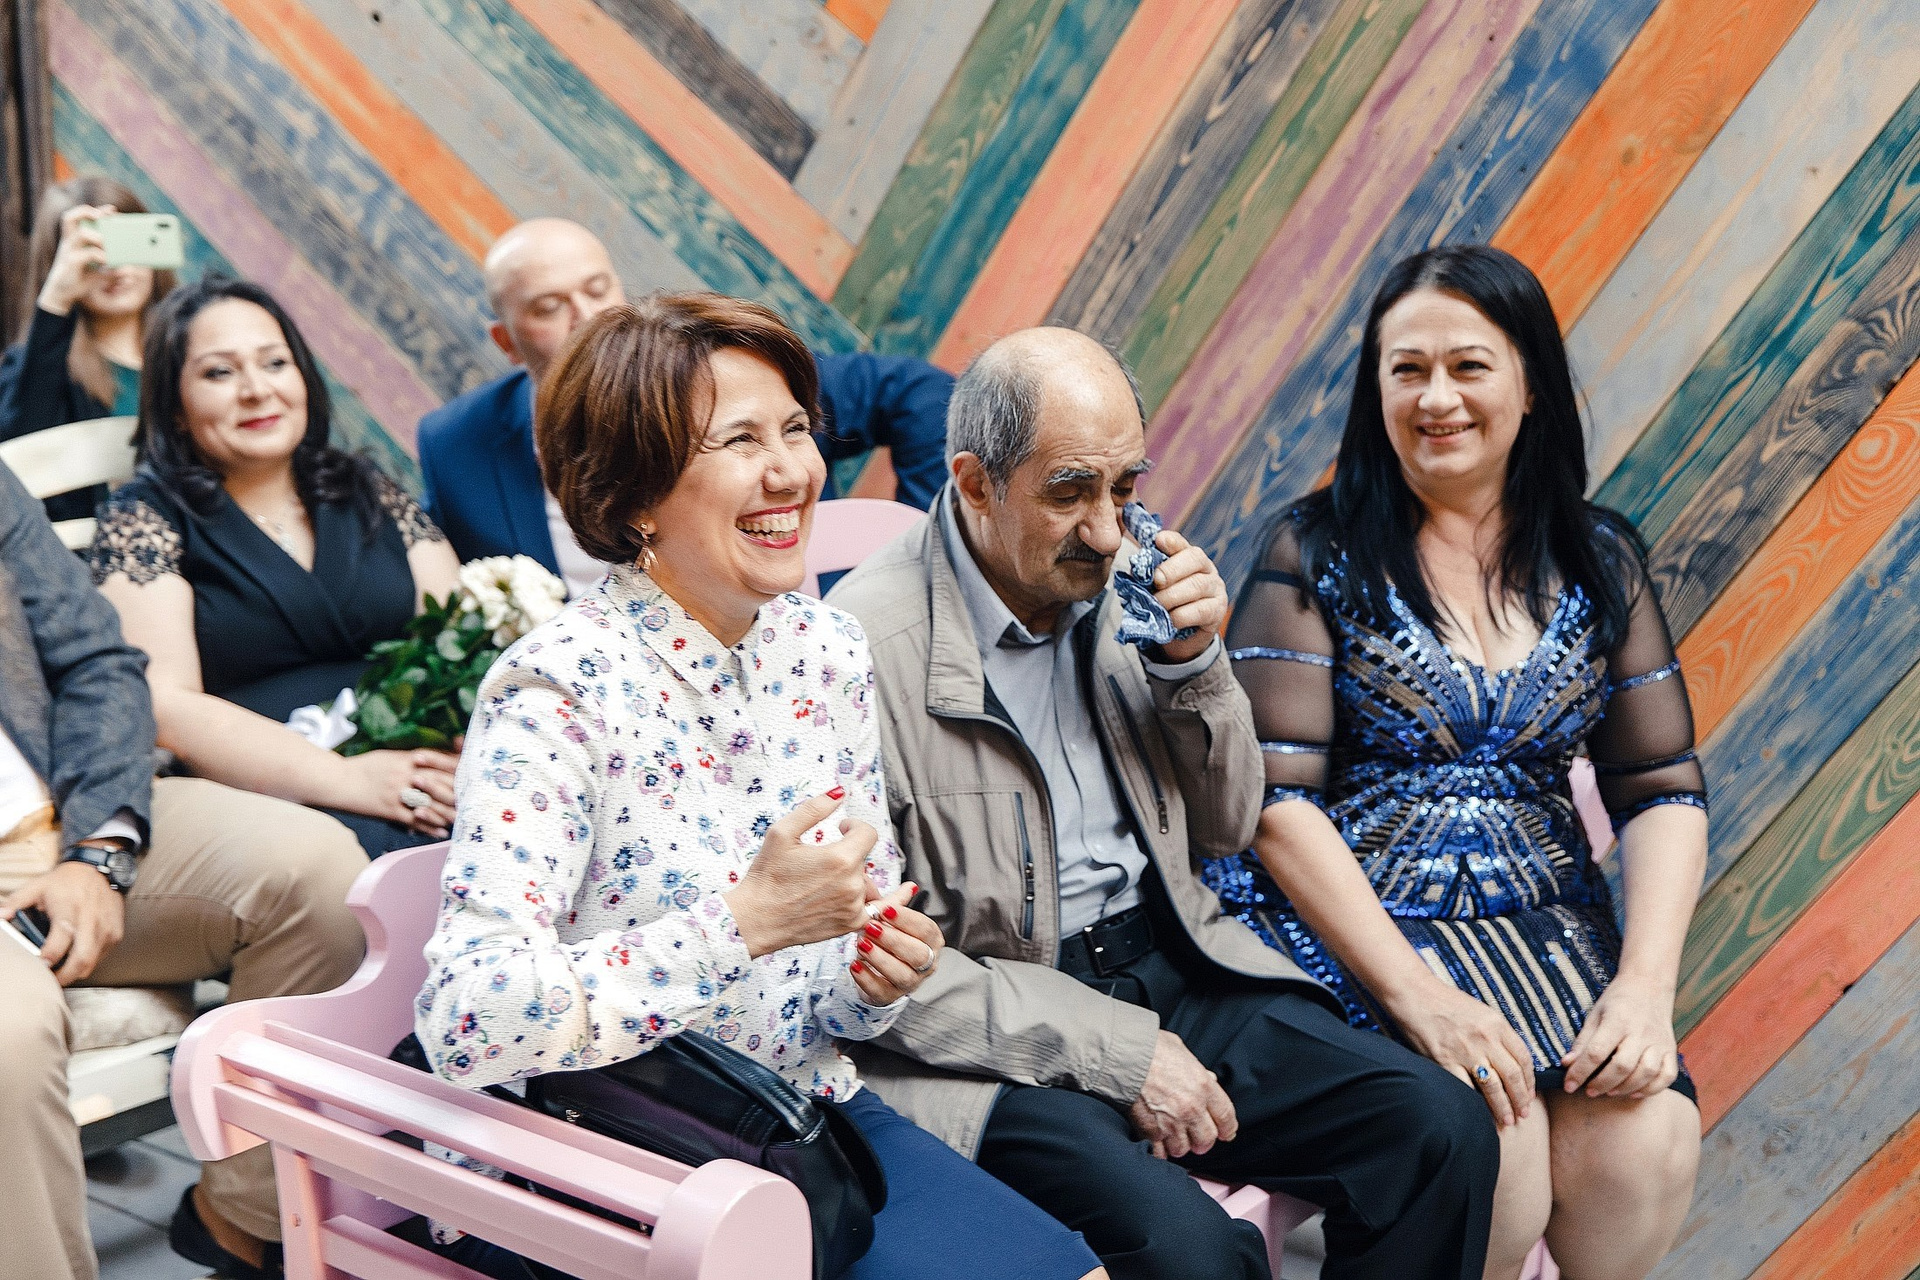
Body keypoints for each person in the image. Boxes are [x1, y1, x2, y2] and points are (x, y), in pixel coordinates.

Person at [415, 294, 1107, 1280]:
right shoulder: (558, 688)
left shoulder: (825, 648)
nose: (793, 470)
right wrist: (742, 923)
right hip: (596, 1149)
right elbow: (468, 1017)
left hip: (792, 1114)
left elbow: (834, 979)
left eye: (795, 428)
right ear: (634, 492)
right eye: (740, 440)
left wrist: (871, 974)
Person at [826, 326, 1500, 1280]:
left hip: (1171, 960)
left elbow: (1226, 827)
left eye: (1125, 486)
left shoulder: (1130, 579)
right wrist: (1121, 1053)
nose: (1108, 531)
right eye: (1069, 492)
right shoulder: (852, 654)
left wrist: (1195, 667)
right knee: (1192, 1254)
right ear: (975, 483)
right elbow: (865, 973)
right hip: (993, 1028)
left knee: (1437, 1130)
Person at [1204, 245, 1704, 1280]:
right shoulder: (1316, 550)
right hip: (1353, 933)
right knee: (1493, 1154)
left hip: (1550, 934)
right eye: (1407, 370)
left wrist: (1645, 991)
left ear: (1530, 384)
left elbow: (1661, 789)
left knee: (1647, 1140)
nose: (1437, 398)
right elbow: (1273, 802)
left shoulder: (1600, 558)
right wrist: (1417, 996)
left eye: (1469, 366)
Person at [0, 454, 370, 1280]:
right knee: (6, 1040)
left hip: (65, 811)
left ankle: (243, 1224)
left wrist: (98, 850)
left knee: (317, 875)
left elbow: (96, 661)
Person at [88, 276, 463, 858]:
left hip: (418, 763)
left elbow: (465, 627)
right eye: (220, 373)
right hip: (270, 800)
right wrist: (350, 779)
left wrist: (461, 741)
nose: (257, 390)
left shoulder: (363, 487)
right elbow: (166, 706)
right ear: (176, 408)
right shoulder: (143, 520)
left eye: (274, 363)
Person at [417, 218, 952, 597]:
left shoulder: (731, 377)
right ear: (506, 342)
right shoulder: (452, 445)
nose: (586, 316)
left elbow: (920, 392)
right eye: (548, 307)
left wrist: (923, 551)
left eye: (598, 290)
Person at [0, 175, 176, 522]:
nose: (115, 268)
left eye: (124, 243)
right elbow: (16, 462)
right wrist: (56, 298)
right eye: (92, 253)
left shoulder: (192, 352)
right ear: (58, 265)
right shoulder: (36, 372)